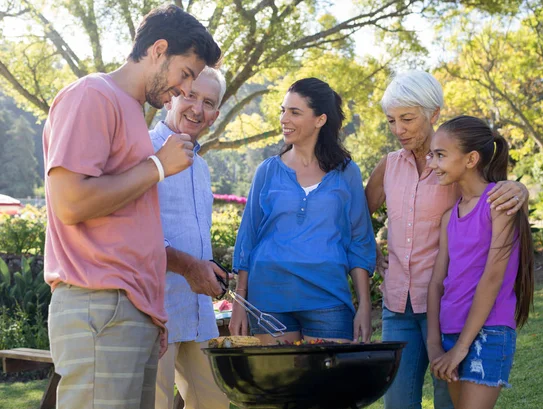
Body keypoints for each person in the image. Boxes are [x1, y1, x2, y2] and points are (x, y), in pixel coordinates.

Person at [43, 5, 222, 409]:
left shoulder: (131, 111)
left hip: (133, 310)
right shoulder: (92, 94)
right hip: (100, 305)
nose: (184, 89)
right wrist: (158, 167)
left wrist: (151, 311)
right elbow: (70, 202)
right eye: (186, 73)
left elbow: (129, 221)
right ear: (159, 49)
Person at [365, 70, 528, 409]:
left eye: (407, 119)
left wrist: (519, 188)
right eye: (391, 120)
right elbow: (358, 215)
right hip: (399, 305)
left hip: (451, 307)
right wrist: (373, 250)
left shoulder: (451, 162)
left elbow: (488, 188)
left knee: (449, 404)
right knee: (397, 403)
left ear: (433, 114)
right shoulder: (388, 166)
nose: (398, 129)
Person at [229, 77, 376, 344]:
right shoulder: (268, 171)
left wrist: (364, 305)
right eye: (283, 110)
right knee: (281, 385)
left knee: (328, 385)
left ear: (320, 119)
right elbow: (247, 239)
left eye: (295, 112)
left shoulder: (346, 173)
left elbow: (360, 239)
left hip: (327, 296)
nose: (284, 119)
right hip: (269, 298)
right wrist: (240, 301)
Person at [427, 115, 534, 408]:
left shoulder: (499, 204)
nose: (432, 163)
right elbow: (437, 283)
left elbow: (492, 278)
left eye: (440, 155)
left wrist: (461, 349)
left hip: (489, 333)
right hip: (450, 332)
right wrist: (435, 344)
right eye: (431, 155)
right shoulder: (450, 216)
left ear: (471, 158)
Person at [151, 66, 230, 409]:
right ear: (171, 96)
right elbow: (139, 235)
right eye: (190, 95)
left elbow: (192, 234)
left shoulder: (202, 167)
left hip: (198, 312)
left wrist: (208, 265)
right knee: (154, 404)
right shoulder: (143, 151)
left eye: (208, 102)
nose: (198, 108)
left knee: (215, 402)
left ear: (216, 114)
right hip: (156, 310)